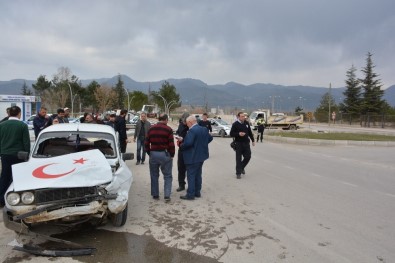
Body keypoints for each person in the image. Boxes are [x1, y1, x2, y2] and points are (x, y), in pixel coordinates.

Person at [0, 106, 30, 207]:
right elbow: (26, 142)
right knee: (17, 177)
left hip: (5, 155)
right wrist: (27, 155)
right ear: (19, 113)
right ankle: (15, 199)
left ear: (9, 113)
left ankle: (1, 199)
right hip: (19, 155)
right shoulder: (22, 125)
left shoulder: (2, 125)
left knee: (4, 176)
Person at [180, 115, 213, 200]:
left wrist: (181, 145)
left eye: (187, 124)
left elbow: (188, 143)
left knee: (191, 175)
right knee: (198, 174)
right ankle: (197, 192)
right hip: (201, 156)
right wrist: (202, 145)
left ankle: (190, 194)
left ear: (190, 122)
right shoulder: (204, 129)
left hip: (192, 156)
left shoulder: (192, 131)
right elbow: (210, 138)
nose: (187, 125)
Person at [144, 114, 175, 202]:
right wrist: (171, 155)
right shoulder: (168, 129)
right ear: (165, 120)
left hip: (154, 153)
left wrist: (150, 153)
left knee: (154, 175)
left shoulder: (151, 129)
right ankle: (167, 195)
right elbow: (171, 144)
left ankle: (155, 194)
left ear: (158, 119)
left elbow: (146, 143)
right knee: (168, 175)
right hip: (165, 154)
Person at [230, 112, 255, 179]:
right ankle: (238, 173)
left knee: (248, 157)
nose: (243, 117)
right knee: (238, 159)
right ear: (238, 117)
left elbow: (249, 132)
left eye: (244, 116)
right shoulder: (235, 124)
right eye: (242, 116)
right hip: (238, 143)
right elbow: (231, 133)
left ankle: (241, 167)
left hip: (246, 143)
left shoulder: (246, 123)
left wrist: (253, 140)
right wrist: (238, 134)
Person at [175, 112, 190, 192]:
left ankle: (191, 185)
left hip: (189, 150)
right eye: (183, 121)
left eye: (185, 121)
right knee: (180, 167)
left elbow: (191, 138)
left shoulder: (191, 126)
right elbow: (178, 131)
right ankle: (181, 185)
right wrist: (177, 135)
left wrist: (183, 139)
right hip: (181, 149)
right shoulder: (181, 124)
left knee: (190, 168)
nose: (184, 123)